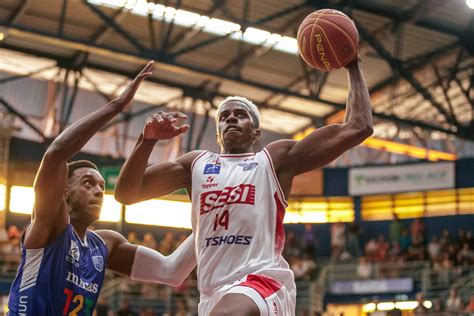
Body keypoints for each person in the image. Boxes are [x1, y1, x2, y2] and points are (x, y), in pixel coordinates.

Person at [116, 56, 373, 315]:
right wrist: (146, 141)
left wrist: (352, 64)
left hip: (263, 282)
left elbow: (358, 126)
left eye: (241, 115)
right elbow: (127, 193)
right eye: (224, 116)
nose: (231, 119)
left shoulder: (273, 160)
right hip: (212, 295)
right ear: (217, 134)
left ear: (256, 132)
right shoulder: (196, 164)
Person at [7, 61, 196, 315]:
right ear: (64, 191)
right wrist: (117, 106)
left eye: (101, 186)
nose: (98, 190)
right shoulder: (51, 224)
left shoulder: (106, 244)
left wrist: (211, 221)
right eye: (87, 183)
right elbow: (55, 155)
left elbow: (170, 271)